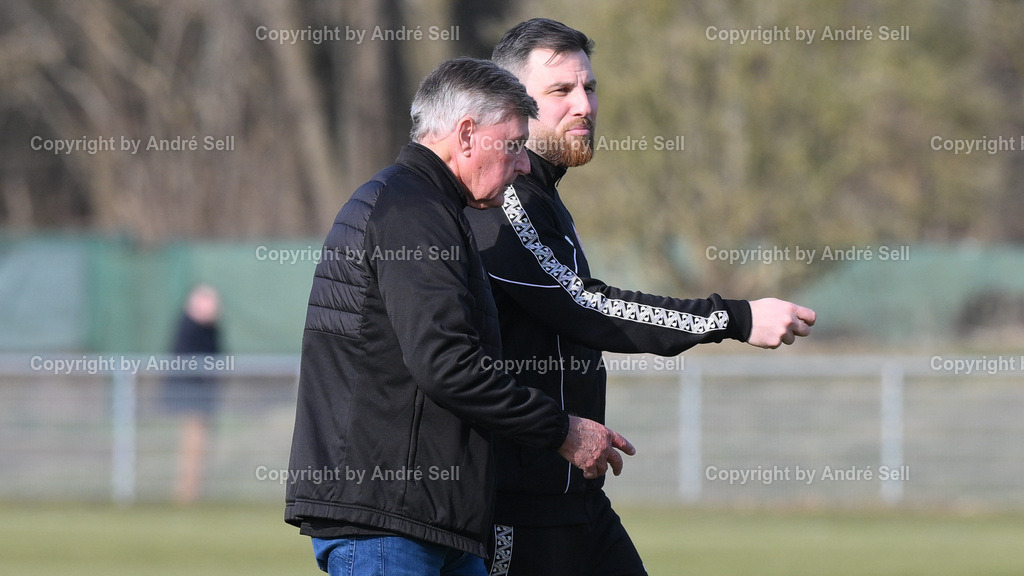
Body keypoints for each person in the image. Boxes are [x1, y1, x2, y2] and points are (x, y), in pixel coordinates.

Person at [463, 19, 817, 576]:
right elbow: (588, 307)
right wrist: (736, 317)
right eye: (561, 91)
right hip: (518, 513)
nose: (584, 105)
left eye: (590, 87)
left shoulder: (543, 196)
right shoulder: (508, 203)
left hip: (577, 500)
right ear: (512, 104)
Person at [285, 57, 635, 576]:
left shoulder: (432, 211)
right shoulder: (411, 215)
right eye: (514, 145)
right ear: (467, 135)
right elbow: (448, 365)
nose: (522, 164)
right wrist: (561, 429)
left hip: (431, 522)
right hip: (390, 526)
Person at [162, 283, 222, 505]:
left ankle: (191, 490)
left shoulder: (207, 329)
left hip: (202, 399)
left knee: (199, 446)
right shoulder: (191, 330)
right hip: (192, 400)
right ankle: (186, 492)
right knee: (192, 445)